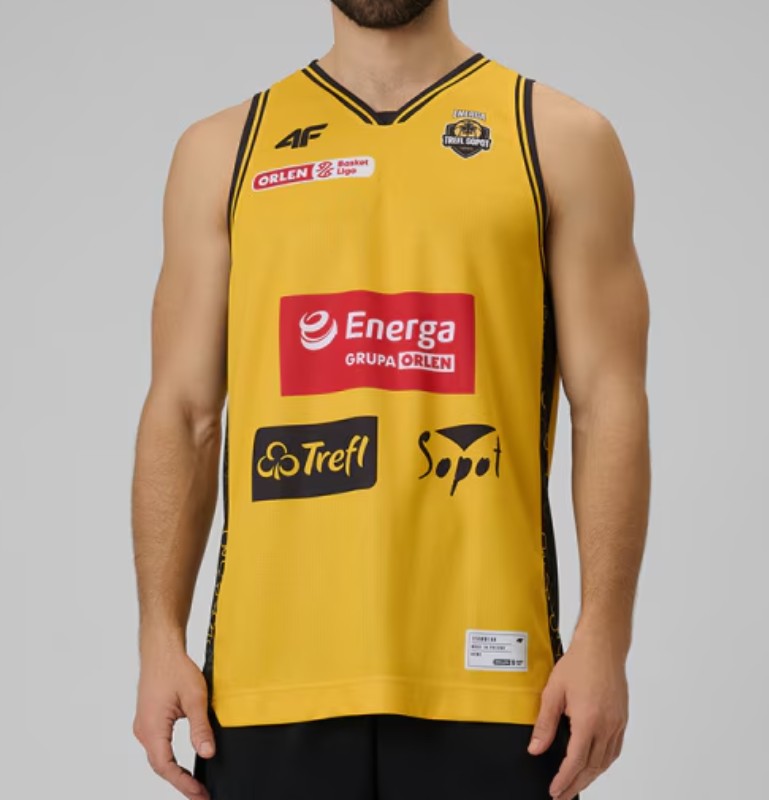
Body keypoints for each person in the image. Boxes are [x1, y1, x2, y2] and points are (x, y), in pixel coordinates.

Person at [130, 1, 651, 798]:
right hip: (266, 680)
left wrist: (603, 638)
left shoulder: (557, 137)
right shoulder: (222, 149)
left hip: (495, 679)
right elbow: (183, 411)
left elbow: (608, 399)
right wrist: (158, 637)